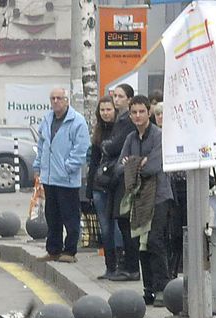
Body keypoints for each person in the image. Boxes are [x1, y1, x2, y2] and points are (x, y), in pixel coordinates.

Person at [118, 95, 173, 306]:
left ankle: (163, 288)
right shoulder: (131, 138)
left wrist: (133, 164)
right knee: (142, 244)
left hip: (159, 195)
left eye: (142, 111)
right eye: (134, 112)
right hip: (139, 198)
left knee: (155, 241)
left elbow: (153, 167)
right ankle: (148, 289)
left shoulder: (158, 136)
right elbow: (120, 167)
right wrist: (136, 163)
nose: (138, 116)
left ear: (148, 112)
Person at [32, 87, 90, 263]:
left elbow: (81, 148)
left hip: (67, 179)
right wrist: (38, 166)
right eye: (53, 98)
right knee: (52, 216)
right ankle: (53, 249)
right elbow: (42, 144)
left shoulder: (77, 121)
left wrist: (68, 167)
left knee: (70, 216)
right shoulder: (47, 119)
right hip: (50, 178)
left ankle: (70, 251)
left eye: (59, 98)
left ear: (66, 100)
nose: (56, 101)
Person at [99, 83, 140, 281]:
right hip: (119, 178)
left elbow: (115, 146)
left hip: (125, 177)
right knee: (122, 224)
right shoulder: (120, 119)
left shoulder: (126, 121)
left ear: (129, 99)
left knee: (126, 224)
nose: (116, 100)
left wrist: (106, 145)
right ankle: (126, 265)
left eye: (120, 97)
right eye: (114, 96)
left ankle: (131, 267)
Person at [87, 96, 123, 279]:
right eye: (102, 110)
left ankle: (120, 266)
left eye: (108, 109)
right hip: (99, 187)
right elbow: (93, 163)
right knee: (105, 228)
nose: (105, 113)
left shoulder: (120, 130)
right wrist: (89, 190)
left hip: (115, 186)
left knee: (117, 227)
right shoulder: (98, 133)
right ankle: (110, 267)